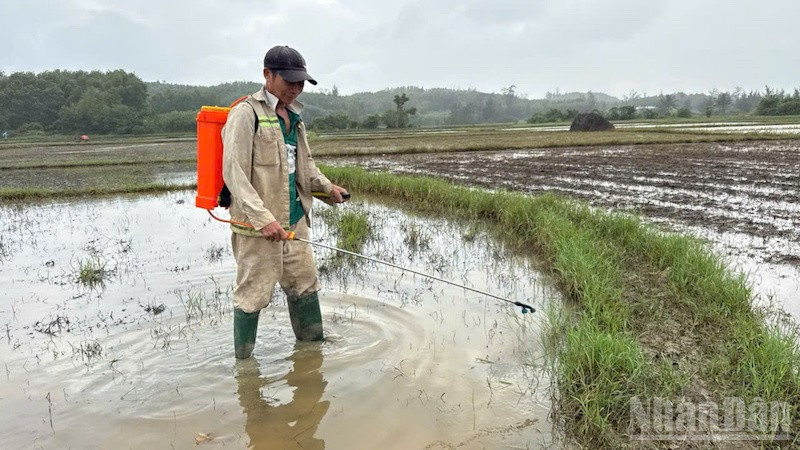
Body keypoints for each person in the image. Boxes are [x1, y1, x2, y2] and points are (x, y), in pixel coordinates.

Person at [222, 45, 348, 359]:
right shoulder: (246, 114)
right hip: (258, 228)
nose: (295, 88)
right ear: (267, 75)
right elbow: (233, 172)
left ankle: (311, 353)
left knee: (305, 286)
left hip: (295, 222)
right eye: (289, 81)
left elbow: (303, 165)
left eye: (300, 82)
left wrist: (327, 187)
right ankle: (245, 367)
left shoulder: (294, 118)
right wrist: (263, 219)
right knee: (252, 295)